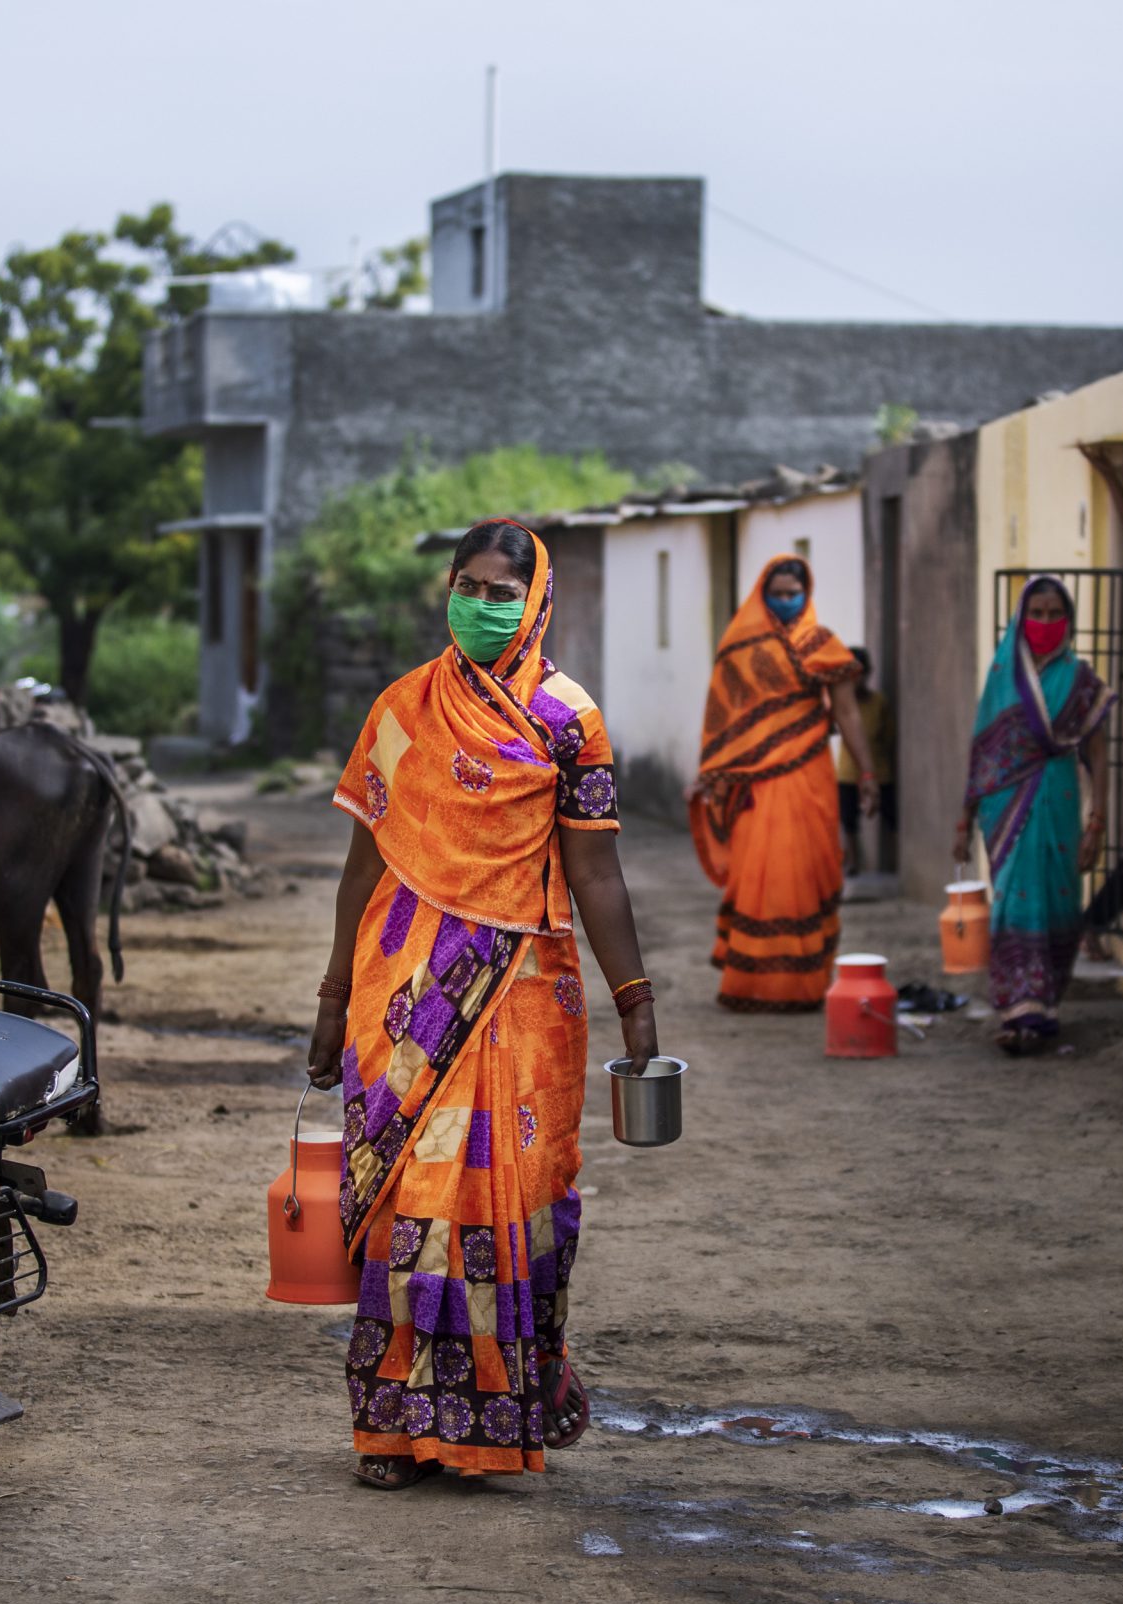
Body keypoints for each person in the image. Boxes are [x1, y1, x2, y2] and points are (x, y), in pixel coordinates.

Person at [306, 518, 660, 1490]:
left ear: (537, 598)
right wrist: (333, 995)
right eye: (466, 584)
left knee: (500, 1207)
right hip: (404, 1001)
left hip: (520, 1002)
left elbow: (597, 871)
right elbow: (359, 862)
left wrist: (637, 1002)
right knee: (411, 1209)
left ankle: (492, 1418)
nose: (480, 603)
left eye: (502, 590)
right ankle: (395, 1425)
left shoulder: (567, 719)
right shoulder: (399, 708)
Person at [688, 555, 876, 1011]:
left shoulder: (822, 644)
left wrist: (867, 772)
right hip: (756, 783)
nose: (787, 601)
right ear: (762, 594)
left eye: (795, 593)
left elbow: (848, 712)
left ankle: (805, 985)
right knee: (759, 873)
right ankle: (750, 984)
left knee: (809, 867)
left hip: (810, 774)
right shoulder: (740, 648)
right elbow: (723, 716)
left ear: (807, 595)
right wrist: (710, 771)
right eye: (779, 593)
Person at [953, 575, 1117, 1055]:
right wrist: (962, 822)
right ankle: (1017, 1009)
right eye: (1037, 613)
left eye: (1054, 614)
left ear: (1067, 620)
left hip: (1062, 800)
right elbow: (982, 755)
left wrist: (1098, 821)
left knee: (1059, 902)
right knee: (1012, 903)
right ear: (1021, 620)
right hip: (1006, 809)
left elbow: (1100, 757)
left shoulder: (1083, 681)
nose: (1045, 622)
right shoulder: (1002, 675)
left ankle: (1045, 1006)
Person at [834, 645, 896, 876]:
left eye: (860, 674)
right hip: (848, 773)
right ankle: (852, 863)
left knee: (891, 815)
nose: (856, 680)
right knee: (849, 821)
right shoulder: (841, 704)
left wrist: (871, 772)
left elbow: (889, 737)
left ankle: (893, 862)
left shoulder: (878, 702)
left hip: (879, 771)